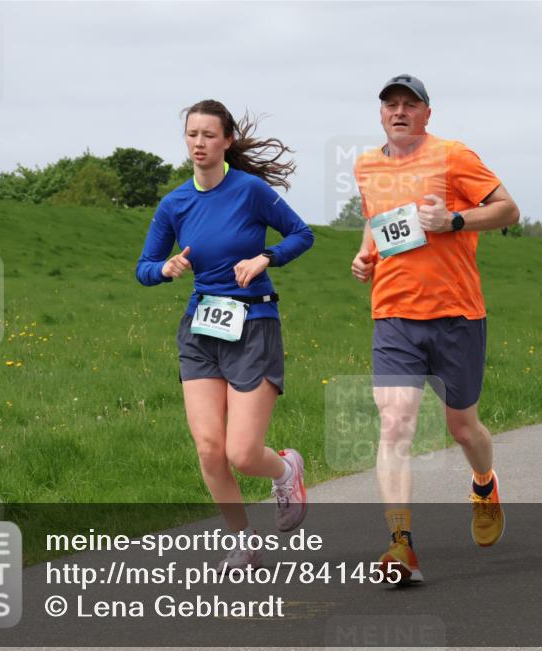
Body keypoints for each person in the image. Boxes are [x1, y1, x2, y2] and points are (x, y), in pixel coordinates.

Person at [350, 75, 520, 583]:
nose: (398, 111)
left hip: (457, 315)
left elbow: (508, 209)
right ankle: (401, 545)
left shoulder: (454, 156)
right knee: (396, 422)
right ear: (381, 114)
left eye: (409, 104)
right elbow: (375, 221)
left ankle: (484, 484)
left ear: (427, 114)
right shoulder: (366, 166)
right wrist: (365, 255)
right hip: (394, 315)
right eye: (390, 105)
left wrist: (456, 222)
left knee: (462, 427)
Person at [136, 99, 314, 570]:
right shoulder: (175, 203)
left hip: (253, 324)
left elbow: (302, 234)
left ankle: (285, 468)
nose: (199, 143)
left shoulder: (250, 191)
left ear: (227, 141)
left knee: (242, 452)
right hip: (201, 330)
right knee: (210, 448)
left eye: (209, 135)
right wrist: (166, 268)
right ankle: (242, 539)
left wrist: (266, 258)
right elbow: (144, 268)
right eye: (192, 134)